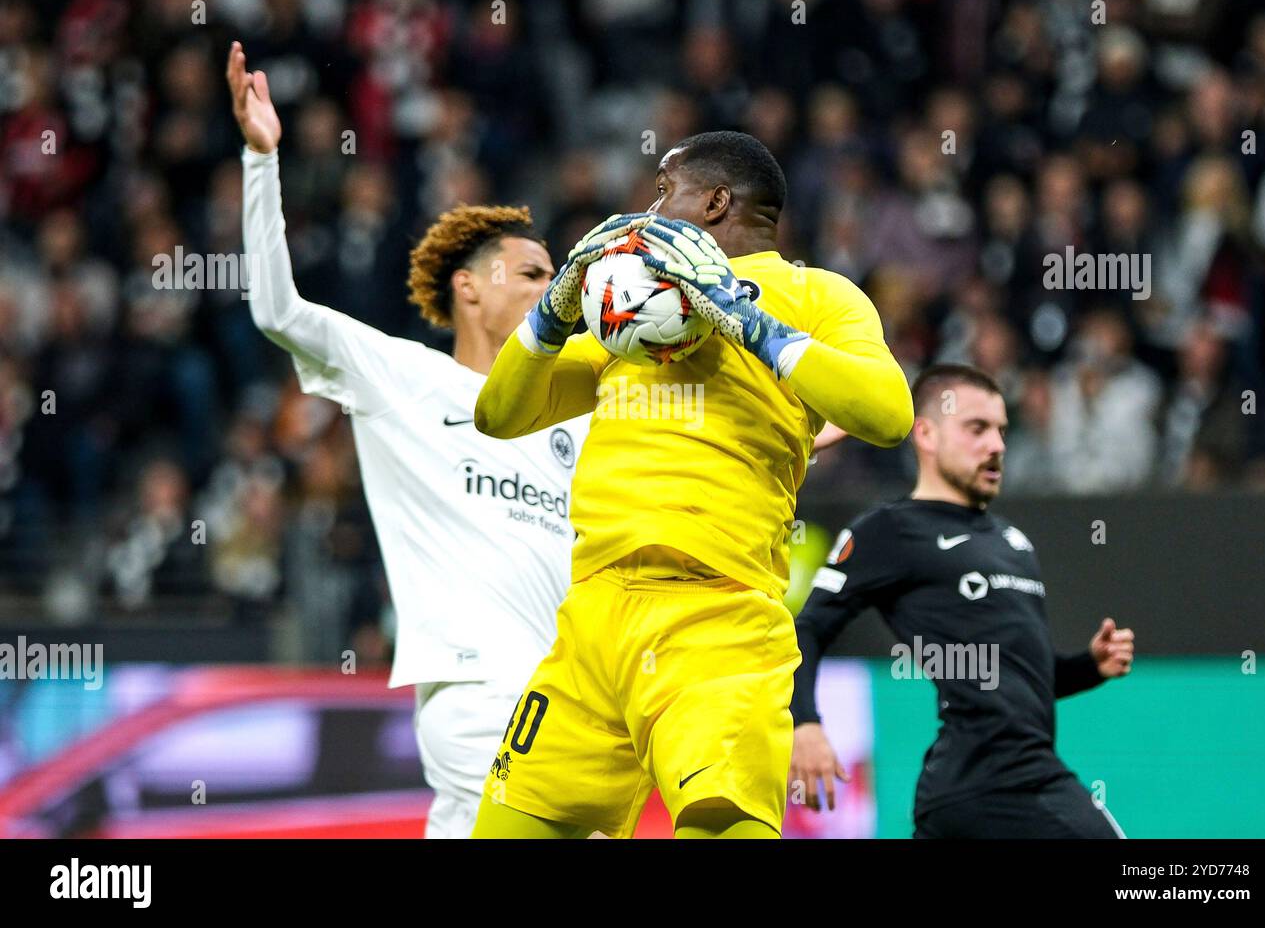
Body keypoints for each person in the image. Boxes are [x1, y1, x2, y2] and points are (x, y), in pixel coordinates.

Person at [470, 131, 913, 838]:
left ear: (713, 202)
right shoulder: (631, 316)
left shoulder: (814, 294)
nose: (646, 210)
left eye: (662, 191)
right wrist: (554, 310)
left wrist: (747, 320)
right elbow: (497, 414)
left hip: (717, 626)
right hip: (591, 623)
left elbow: (889, 415)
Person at [227, 41, 598, 838]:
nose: (552, 289)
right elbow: (278, 313)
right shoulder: (399, 376)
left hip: (575, 696)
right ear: (469, 286)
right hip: (476, 691)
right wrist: (263, 162)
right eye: (533, 273)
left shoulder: (577, 413)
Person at [789, 363, 1135, 838]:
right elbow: (805, 630)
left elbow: (1021, 679)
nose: (996, 445)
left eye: (1001, 431)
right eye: (977, 429)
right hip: (1004, 781)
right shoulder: (889, 531)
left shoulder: (1013, 541)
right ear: (926, 434)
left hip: (973, 789)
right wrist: (805, 724)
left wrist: (1087, 667)